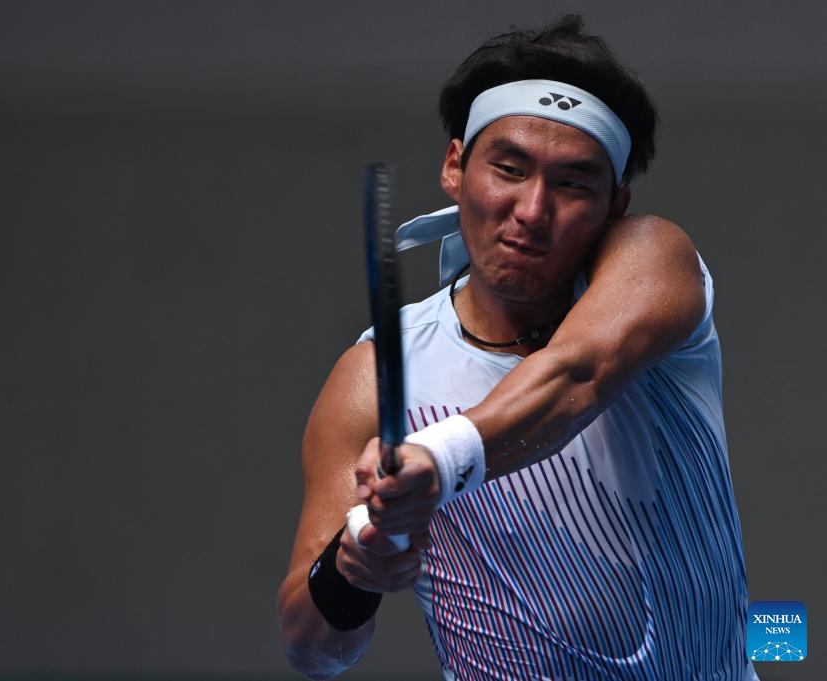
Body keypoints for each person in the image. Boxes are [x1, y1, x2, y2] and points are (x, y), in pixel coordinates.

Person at [277, 15, 757, 681]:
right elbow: (311, 649)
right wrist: (352, 568)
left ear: (615, 205)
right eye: (508, 169)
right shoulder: (371, 380)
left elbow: (575, 376)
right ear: (454, 167)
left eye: (572, 183)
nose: (532, 210)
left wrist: (438, 460)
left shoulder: (654, 258)